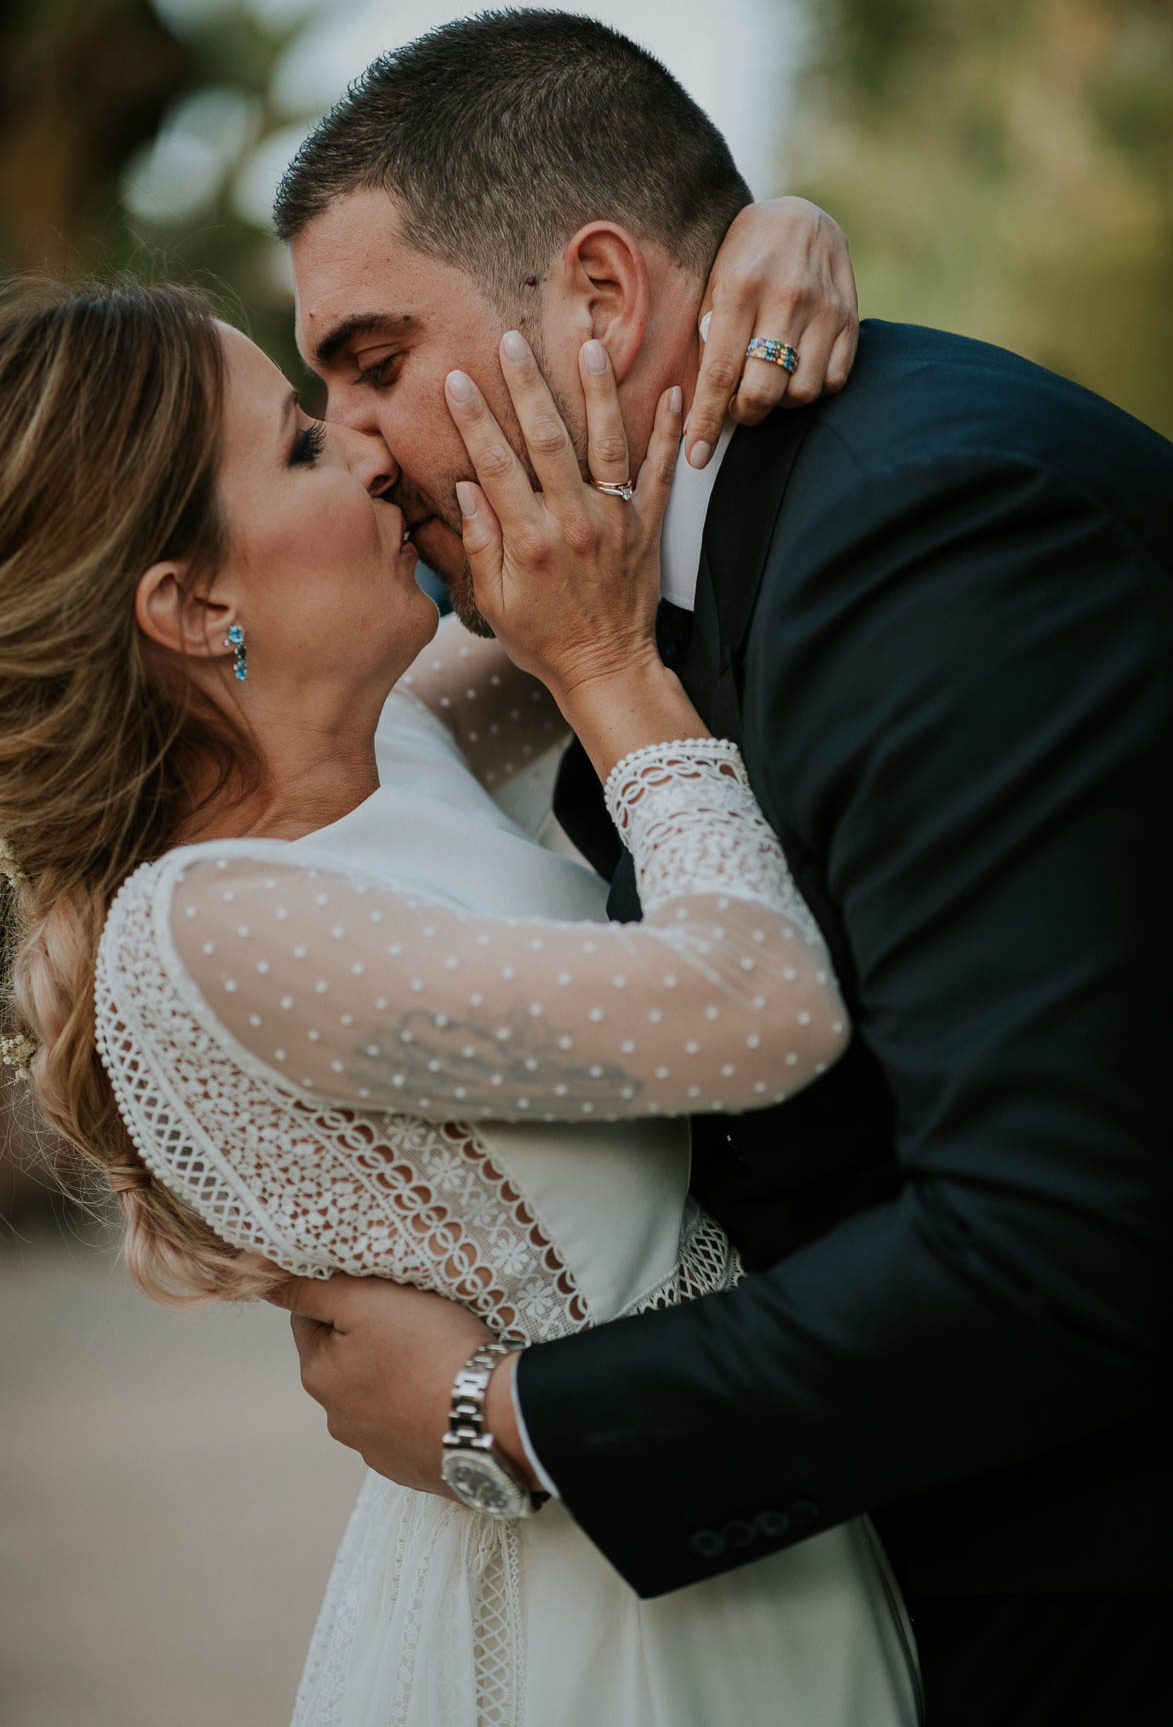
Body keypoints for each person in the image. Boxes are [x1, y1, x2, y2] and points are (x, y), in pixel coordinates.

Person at [267, 10, 1173, 1726]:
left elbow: (1050, 1244)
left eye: (373, 361)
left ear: (599, 299)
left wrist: (506, 1417)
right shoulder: (608, 585)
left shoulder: (938, 534)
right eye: (314, 405)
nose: (362, 447)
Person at [0, 231, 919, 1722]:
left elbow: (600, 523)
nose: (367, 453)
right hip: (607, 1626)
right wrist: (615, 679)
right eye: (299, 445)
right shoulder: (216, 926)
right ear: (184, 607)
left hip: (720, 1521)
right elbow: (764, 1013)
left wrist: (765, 247)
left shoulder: (390, 743)